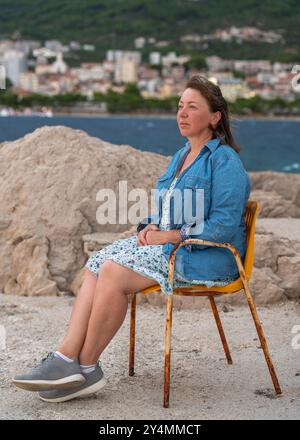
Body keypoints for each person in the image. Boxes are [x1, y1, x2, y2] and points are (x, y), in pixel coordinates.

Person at [12, 75, 251, 403]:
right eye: (180, 106)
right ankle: (65, 359)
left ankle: (86, 367)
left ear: (214, 117)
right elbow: (169, 210)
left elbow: (223, 225)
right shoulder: (182, 156)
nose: (182, 113)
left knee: (112, 272)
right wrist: (149, 227)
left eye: (192, 107)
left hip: (206, 256)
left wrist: (171, 234)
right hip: (171, 245)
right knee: (96, 262)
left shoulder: (225, 162)